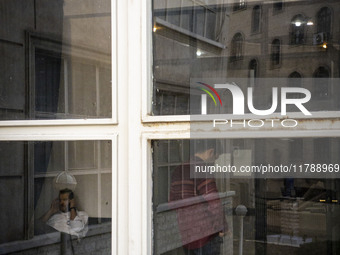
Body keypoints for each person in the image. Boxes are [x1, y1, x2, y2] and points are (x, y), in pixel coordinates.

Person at [169, 140, 228, 255]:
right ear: (211, 152)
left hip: (186, 235)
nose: (214, 161)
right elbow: (213, 202)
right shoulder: (202, 170)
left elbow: (172, 203)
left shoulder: (177, 170)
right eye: (216, 157)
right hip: (205, 235)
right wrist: (223, 227)